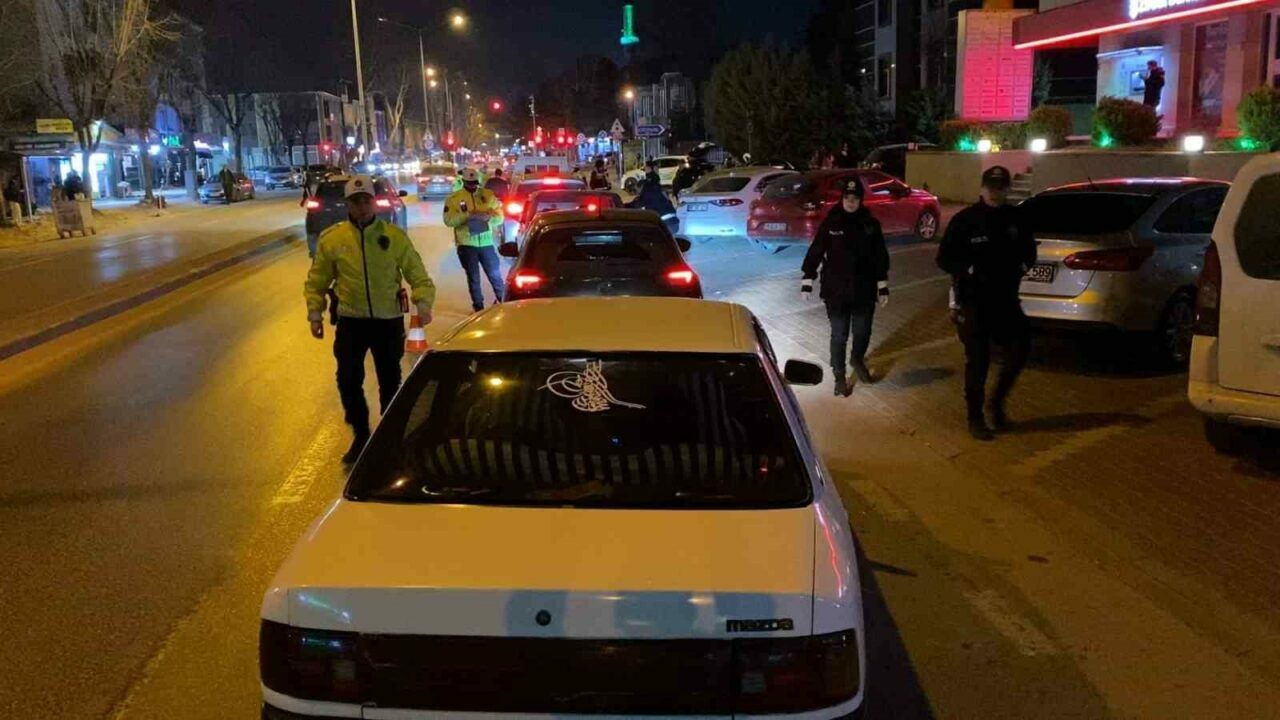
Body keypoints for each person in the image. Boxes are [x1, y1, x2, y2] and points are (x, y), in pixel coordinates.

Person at [304, 175, 437, 463]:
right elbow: (317, 280)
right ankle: (361, 435)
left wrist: (423, 304)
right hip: (352, 322)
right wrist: (315, 313)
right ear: (348, 204)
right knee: (348, 380)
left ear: (373, 202)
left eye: (366, 201)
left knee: (390, 382)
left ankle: (390, 439)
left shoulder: (393, 237)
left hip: (387, 321)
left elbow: (418, 275)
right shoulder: (333, 239)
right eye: (356, 202)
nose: (362, 207)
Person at [936, 165, 1037, 441]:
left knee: (1020, 350)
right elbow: (944, 259)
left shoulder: (1016, 218)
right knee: (978, 362)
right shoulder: (966, 220)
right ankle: (975, 417)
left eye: (1001, 187)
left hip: (1007, 301)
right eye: (991, 187)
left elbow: (1030, 250)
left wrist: (1023, 266)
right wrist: (967, 269)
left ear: (1007, 189)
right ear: (982, 188)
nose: (995, 192)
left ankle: (996, 403)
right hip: (974, 303)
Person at [801, 177, 889, 396]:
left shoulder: (870, 224)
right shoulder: (832, 222)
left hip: (864, 289)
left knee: (862, 331)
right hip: (836, 290)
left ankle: (857, 359)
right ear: (842, 199)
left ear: (861, 200)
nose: (851, 202)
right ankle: (839, 376)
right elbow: (817, 249)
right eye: (847, 197)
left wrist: (882, 285)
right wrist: (807, 279)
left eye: (855, 198)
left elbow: (880, 255)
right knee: (839, 335)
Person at [443, 167, 505, 312]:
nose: (473, 187)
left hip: (486, 243)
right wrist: (466, 216)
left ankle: (504, 301)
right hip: (467, 244)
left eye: (475, 183)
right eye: (470, 184)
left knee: (495, 275)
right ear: (464, 182)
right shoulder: (454, 199)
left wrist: (488, 217)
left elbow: (500, 217)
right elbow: (448, 220)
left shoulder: (487, 195)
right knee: (474, 278)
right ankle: (478, 307)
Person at [626, 162, 676, 232]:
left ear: (641, 187)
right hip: (673, 220)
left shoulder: (647, 193)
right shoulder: (654, 191)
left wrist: (625, 206)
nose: (637, 193)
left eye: (637, 191)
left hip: (666, 222)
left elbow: (638, 204)